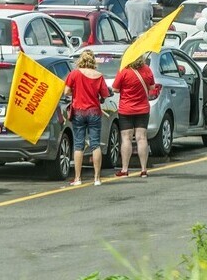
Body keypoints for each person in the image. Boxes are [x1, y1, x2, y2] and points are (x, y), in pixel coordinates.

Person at [63, 50, 111, 186]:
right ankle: (97, 178)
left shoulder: (74, 74)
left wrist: (76, 92)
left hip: (78, 111)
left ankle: (78, 178)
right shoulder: (99, 76)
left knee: (78, 145)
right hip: (94, 111)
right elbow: (105, 95)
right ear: (93, 61)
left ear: (81, 60)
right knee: (95, 144)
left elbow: (66, 91)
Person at [112, 56, 154, 178]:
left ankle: (125, 169)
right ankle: (144, 169)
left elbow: (115, 88)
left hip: (126, 109)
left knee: (126, 138)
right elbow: (151, 87)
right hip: (143, 109)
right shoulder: (147, 69)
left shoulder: (124, 70)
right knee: (142, 138)